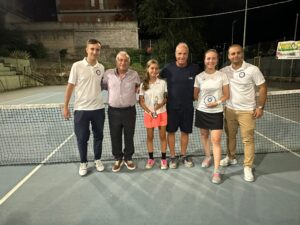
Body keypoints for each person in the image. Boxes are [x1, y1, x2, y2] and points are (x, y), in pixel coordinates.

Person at [220, 44, 267, 182]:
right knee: (230, 137)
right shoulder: (224, 71)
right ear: (228, 56)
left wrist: (260, 107)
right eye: (232, 54)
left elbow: (263, 87)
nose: (235, 56)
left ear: (242, 54)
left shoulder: (253, 70)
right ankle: (231, 157)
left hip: (247, 111)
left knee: (248, 140)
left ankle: (247, 167)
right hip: (229, 110)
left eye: (238, 53)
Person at [63, 39, 105, 176]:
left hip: (98, 109)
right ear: (86, 49)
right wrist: (65, 107)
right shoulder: (77, 66)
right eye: (92, 49)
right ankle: (83, 163)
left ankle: (97, 160)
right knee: (82, 138)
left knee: (98, 136)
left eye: (97, 49)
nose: (94, 52)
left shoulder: (101, 68)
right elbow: (70, 87)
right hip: (81, 110)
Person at [160, 42, 200, 168]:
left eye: (184, 54)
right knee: (171, 132)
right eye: (179, 53)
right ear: (175, 54)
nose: (182, 56)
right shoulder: (167, 69)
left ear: (188, 55)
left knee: (185, 132)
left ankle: (183, 155)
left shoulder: (195, 68)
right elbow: (154, 79)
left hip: (187, 107)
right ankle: (172, 157)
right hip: (171, 108)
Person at [194, 49, 229, 184]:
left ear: (217, 60)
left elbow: (226, 95)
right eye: (208, 58)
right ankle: (208, 156)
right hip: (202, 111)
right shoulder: (199, 77)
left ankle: (216, 171)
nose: (211, 61)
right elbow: (195, 95)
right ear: (204, 60)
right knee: (204, 135)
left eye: (213, 58)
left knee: (216, 139)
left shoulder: (222, 76)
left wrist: (217, 102)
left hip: (216, 112)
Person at [102, 51, 140, 172]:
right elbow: (102, 86)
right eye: (120, 60)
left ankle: (128, 158)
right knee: (115, 135)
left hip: (129, 111)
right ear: (116, 61)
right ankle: (118, 158)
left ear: (129, 62)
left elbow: (138, 88)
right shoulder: (107, 74)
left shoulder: (135, 75)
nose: (123, 62)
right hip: (113, 112)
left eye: (125, 60)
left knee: (129, 135)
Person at [139, 59, 168, 170]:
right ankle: (151, 158)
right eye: (152, 68)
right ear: (148, 69)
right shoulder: (143, 85)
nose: (154, 70)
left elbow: (165, 98)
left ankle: (164, 159)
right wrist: (150, 112)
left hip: (162, 113)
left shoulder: (163, 83)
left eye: (156, 68)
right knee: (150, 137)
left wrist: (160, 105)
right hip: (149, 114)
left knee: (162, 137)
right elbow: (141, 101)